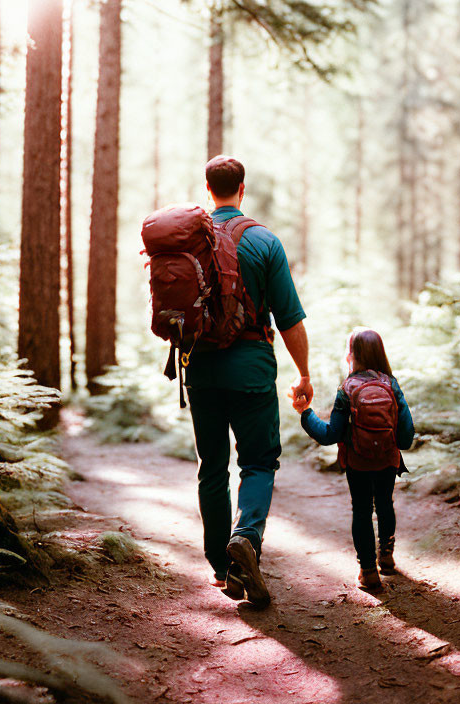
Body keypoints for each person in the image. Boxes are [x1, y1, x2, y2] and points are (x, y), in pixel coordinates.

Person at [186, 155, 313, 607]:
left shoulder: (191, 242)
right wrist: (303, 373)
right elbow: (290, 319)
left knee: (212, 467)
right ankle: (245, 541)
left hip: (199, 369)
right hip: (253, 368)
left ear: (207, 188)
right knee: (258, 463)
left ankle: (222, 570)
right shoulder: (264, 241)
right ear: (242, 189)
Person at [293, 328, 414, 593]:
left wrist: (305, 413)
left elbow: (328, 435)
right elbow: (406, 437)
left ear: (352, 354)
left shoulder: (346, 389)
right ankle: (387, 556)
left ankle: (368, 571)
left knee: (361, 510)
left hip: (357, 463)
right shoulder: (392, 385)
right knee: (385, 503)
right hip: (387, 460)